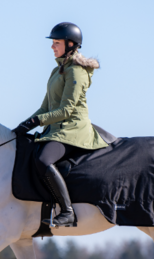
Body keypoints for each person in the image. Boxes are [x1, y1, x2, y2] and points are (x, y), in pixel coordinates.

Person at [13, 22, 108, 226]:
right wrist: (24, 126)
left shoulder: (76, 71)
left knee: (43, 160)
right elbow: (45, 108)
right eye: (53, 42)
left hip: (73, 130)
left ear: (71, 44)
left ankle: (67, 211)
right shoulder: (56, 72)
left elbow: (66, 110)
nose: (52, 46)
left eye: (56, 42)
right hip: (55, 129)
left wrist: (37, 121)